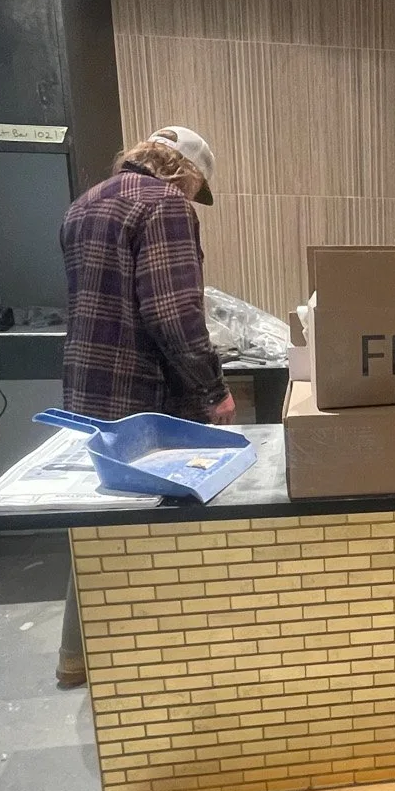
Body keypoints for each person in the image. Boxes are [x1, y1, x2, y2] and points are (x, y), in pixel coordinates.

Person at [54, 126, 234, 686]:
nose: (193, 194)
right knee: (162, 529)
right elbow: (173, 310)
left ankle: (76, 659)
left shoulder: (84, 204)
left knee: (98, 527)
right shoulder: (166, 205)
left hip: (89, 387)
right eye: (197, 184)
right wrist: (212, 389)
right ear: (185, 171)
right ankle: (163, 662)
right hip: (145, 398)